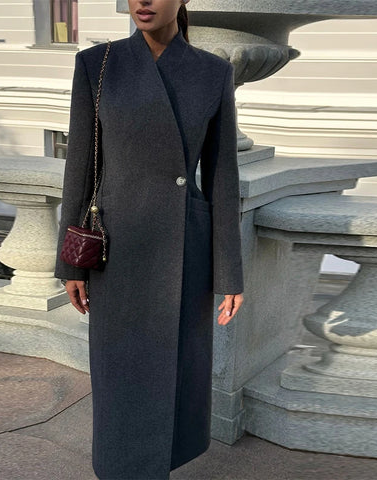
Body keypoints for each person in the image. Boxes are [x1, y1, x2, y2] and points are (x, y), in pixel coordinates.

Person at [54, 0, 244, 478]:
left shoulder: (213, 72)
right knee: (119, 370)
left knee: (177, 369)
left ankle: (160, 463)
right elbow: (81, 166)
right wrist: (71, 263)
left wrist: (229, 272)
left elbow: (222, 176)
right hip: (117, 246)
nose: (143, 2)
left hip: (184, 249)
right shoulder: (97, 64)